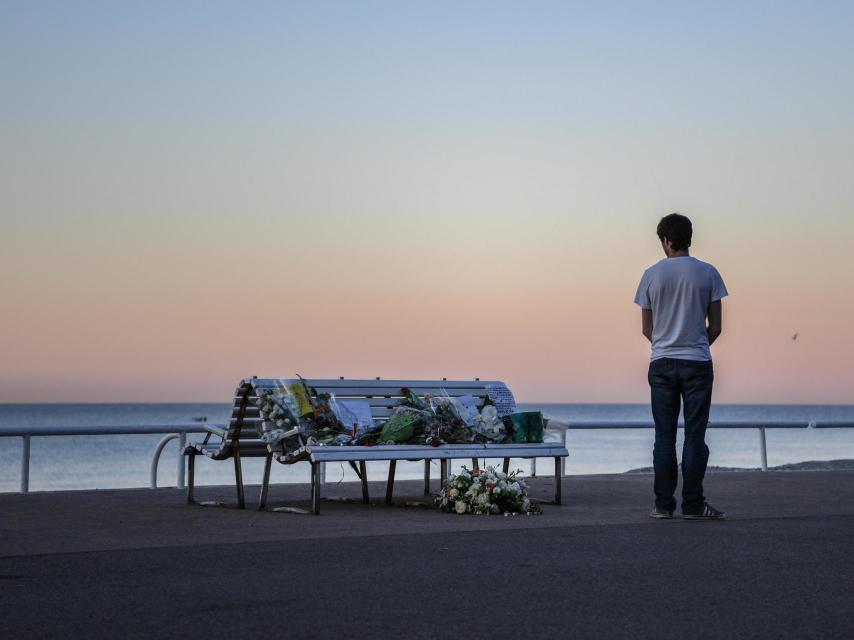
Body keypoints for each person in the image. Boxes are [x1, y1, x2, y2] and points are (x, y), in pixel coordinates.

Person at [634, 213, 728, 520]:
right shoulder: (708, 273)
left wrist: (666, 346)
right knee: (694, 436)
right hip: (697, 362)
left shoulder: (651, 274)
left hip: (661, 362)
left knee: (664, 436)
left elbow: (647, 329)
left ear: (665, 240)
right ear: (689, 237)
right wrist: (695, 346)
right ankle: (693, 504)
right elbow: (715, 327)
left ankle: (663, 505)